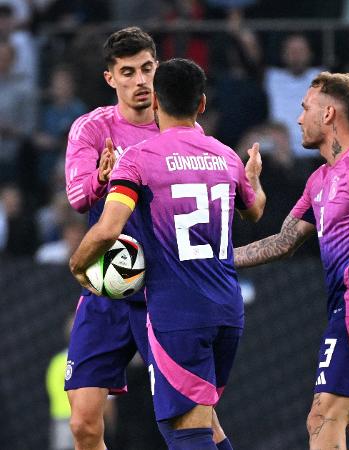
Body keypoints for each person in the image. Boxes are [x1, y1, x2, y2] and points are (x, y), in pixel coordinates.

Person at [69, 58, 266, 450]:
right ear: (203, 104)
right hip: (228, 310)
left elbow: (108, 230)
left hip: (177, 314)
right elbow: (255, 209)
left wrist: (78, 265)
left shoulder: (140, 159)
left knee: (184, 431)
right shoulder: (225, 157)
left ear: (155, 102)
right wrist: (255, 180)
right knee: (203, 423)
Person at [234, 71, 349, 449]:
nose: (299, 118)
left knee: (323, 418)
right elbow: (283, 242)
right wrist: (214, 260)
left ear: (330, 113)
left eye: (306, 108)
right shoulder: (320, 179)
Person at [64, 27, 162, 450]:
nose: (139, 80)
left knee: (192, 422)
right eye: (128, 72)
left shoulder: (177, 127)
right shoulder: (92, 129)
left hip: (163, 290)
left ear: (157, 68)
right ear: (111, 78)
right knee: (84, 425)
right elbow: (76, 196)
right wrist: (101, 179)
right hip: (109, 284)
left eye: (146, 69)